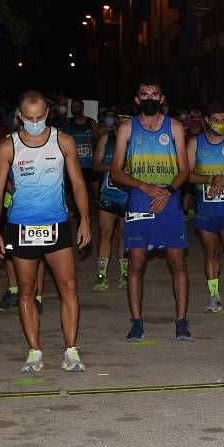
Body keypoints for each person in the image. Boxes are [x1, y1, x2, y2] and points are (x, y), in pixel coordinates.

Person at [0, 90, 91, 373]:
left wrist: (84, 220)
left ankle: (71, 351)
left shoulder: (63, 141)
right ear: (20, 116)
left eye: (40, 117)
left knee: (68, 287)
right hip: (21, 227)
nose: (34, 122)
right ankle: (34, 351)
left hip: (56, 224)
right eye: (29, 118)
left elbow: (79, 184)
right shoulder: (8, 146)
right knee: (26, 291)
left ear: (48, 113)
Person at [110, 80, 191, 342]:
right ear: (137, 99)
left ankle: (181, 321)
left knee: (177, 261)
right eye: (144, 94)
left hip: (169, 199)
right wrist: (144, 186)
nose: (149, 98)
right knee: (136, 263)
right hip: (139, 199)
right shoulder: (126, 128)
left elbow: (184, 170)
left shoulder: (175, 127)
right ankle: (136, 322)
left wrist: (167, 191)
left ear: (162, 98)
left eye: (154, 94)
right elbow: (115, 171)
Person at [187, 102, 224, 316]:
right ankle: (214, 297)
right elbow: (186, 174)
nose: (219, 124)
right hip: (204, 207)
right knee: (211, 252)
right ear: (207, 120)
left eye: (223, 120)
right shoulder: (195, 142)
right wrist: (211, 178)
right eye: (215, 120)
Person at [91, 107, 129, 291]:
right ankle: (101, 275)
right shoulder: (107, 138)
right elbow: (96, 164)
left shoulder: (136, 140)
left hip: (129, 197)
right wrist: (114, 168)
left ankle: (125, 274)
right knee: (105, 235)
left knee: (124, 236)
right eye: (120, 118)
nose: (123, 121)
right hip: (108, 195)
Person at [65, 99, 100, 202]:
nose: (74, 110)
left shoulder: (91, 122)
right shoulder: (68, 122)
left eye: (76, 107)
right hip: (74, 165)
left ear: (82, 107)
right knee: (74, 194)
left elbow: (99, 140)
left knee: (96, 195)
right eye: (72, 108)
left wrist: (92, 139)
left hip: (90, 164)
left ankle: (98, 214)